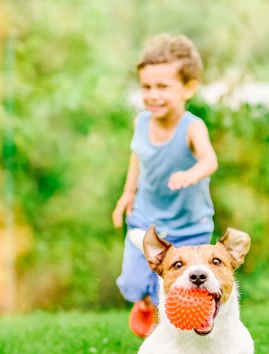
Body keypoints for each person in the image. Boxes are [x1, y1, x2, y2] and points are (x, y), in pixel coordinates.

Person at [112, 33, 218, 338]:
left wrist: (193, 174)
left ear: (188, 87)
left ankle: (171, 337)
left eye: (162, 87)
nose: (153, 95)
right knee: (132, 283)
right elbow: (138, 156)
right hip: (146, 221)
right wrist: (127, 193)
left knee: (179, 293)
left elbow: (210, 160)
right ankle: (144, 303)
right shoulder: (141, 122)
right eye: (146, 87)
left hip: (189, 226)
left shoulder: (192, 127)